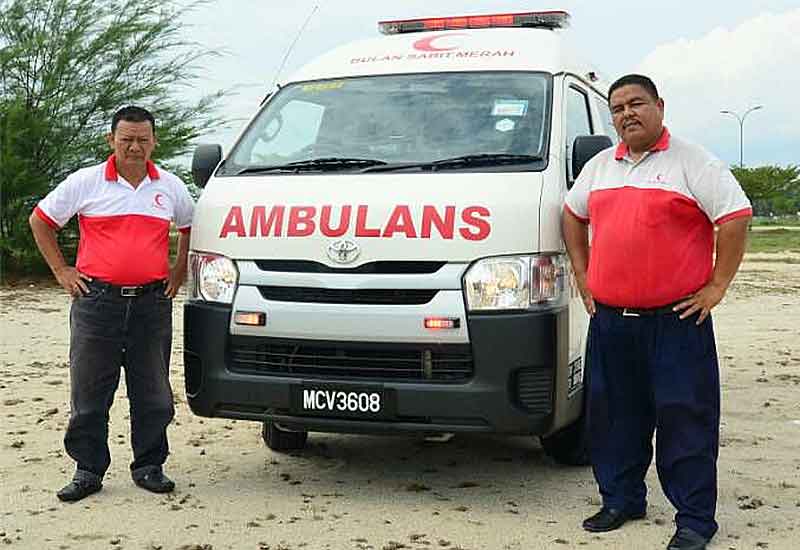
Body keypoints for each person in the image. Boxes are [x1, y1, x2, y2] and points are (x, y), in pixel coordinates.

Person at [562, 74, 751, 550]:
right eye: (619, 107)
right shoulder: (602, 166)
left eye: (637, 103)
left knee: (685, 419)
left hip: (678, 323)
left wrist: (717, 285)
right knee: (612, 418)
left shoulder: (692, 161)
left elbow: (734, 215)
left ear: (659, 106)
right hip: (611, 323)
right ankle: (621, 499)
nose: (628, 113)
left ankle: (693, 520)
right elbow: (571, 214)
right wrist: (584, 277)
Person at [29, 106, 194, 502]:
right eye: (127, 140)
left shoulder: (169, 186)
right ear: (111, 141)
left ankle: (149, 466)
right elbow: (40, 221)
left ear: (154, 141)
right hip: (95, 302)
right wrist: (61, 270)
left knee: (153, 391)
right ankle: (87, 470)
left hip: (151, 305)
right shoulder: (85, 182)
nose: (135, 147)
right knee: (89, 392)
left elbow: (191, 226)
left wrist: (178, 270)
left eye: (142, 139)